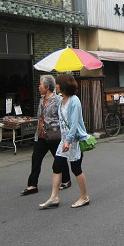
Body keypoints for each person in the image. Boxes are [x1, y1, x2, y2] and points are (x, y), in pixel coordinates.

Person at [39, 74, 90, 210]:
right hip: (64, 140)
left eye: (57, 83)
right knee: (57, 165)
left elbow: (73, 124)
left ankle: (84, 196)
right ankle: (54, 197)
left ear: (62, 85)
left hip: (74, 141)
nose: (55, 86)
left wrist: (68, 141)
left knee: (76, 168)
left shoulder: (75, 101)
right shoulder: (61, 100)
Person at [21, 75, 71, 196]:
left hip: (53, 135)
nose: (39, 87)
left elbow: (63, 117)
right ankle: (32, 185)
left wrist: (65, 135)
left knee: (59, 158)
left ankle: (66, 179)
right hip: (41, 135)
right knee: (36, 159)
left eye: (40, 85)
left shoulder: (58, 100)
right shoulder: (41, 99)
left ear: (47, 86)